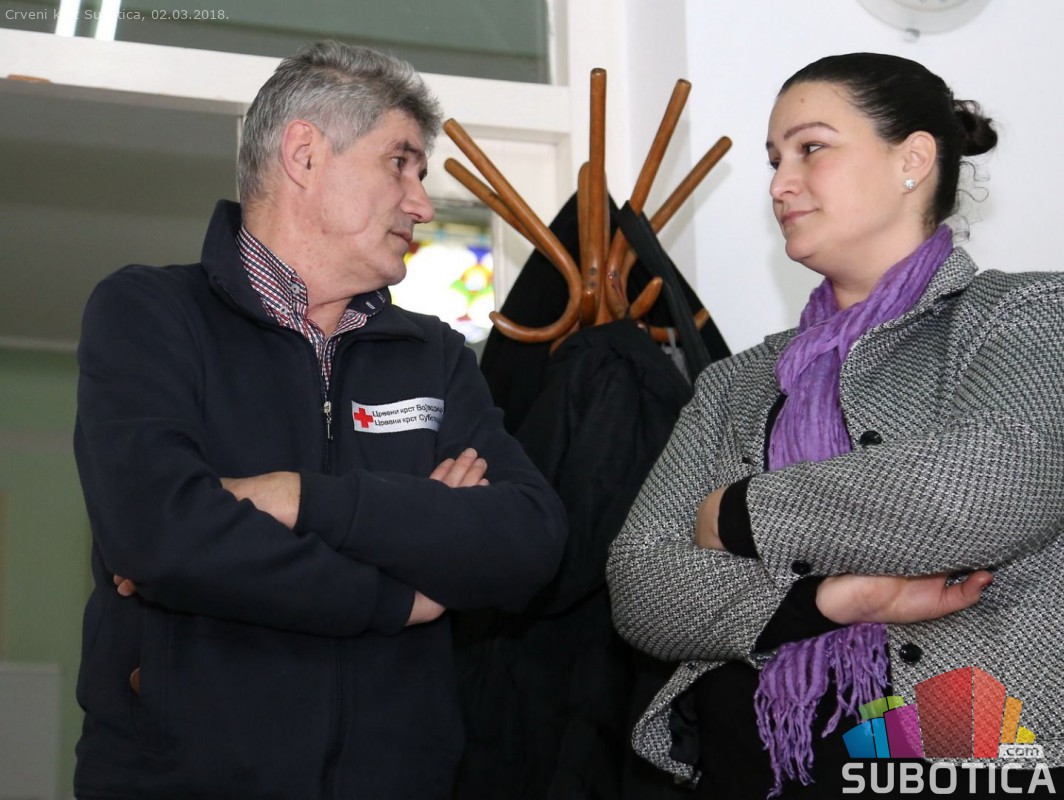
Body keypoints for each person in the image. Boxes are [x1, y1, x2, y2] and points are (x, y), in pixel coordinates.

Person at [72, 40, 567, 800]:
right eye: (400, 163)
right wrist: (399, 591)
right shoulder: (150, 314)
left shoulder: (432, 354)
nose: (422, 204)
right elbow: (158, 533)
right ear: (304, 155)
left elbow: (528, 539)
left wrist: (293, 498)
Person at [606, 52, 1064, 799]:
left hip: (962, 749)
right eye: (774, 160)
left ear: (913, 160)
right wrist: (834, 599)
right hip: (751, 760)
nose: (779, 184)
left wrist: (739, 513)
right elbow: (640, 582)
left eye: (811, 148)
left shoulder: (1022, 316)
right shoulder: (736, 382)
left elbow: (990, 489)